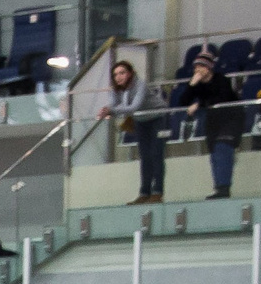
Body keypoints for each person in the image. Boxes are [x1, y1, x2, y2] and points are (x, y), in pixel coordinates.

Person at [175, 53, 244, 200]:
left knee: (222, 149)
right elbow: (182, 101)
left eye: (201, 66)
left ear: (209, 68)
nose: (197, 69)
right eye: (196, 67)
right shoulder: (197, 84)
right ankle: (219, 187)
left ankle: (224, 188)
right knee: (214, 156)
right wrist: (191, 85)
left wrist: (199, 104)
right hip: (213, 122)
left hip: (230, 119)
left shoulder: (221, 79)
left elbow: (221, 98)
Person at [100, 59, 166, 205]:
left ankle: (157, 192)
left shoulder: (140, 84)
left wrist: (111, 110)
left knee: (156, 154)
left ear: (130, 73)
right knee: (145, 156)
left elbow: (134, 107)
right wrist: (106, 110)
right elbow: (113, 105)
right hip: (141, 120)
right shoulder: (115, 89)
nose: (119, 77)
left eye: (122, 73)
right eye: (116, 74)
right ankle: (144, 192)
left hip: (158, 117)